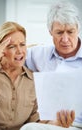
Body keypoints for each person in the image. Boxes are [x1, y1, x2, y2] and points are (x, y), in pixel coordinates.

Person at [0, 21, 75, 130]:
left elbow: (35, 120)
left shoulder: (33, 80)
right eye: (12, 46)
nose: (19, 51)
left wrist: (57, 123)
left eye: (22, 45)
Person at [21, 1, 82, 130]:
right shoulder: (39, 54)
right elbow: (12, 55)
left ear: (78, 29)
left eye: (70, 32)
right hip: (48, 123)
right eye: (59, 33)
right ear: (50, 32)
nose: (65, 39)